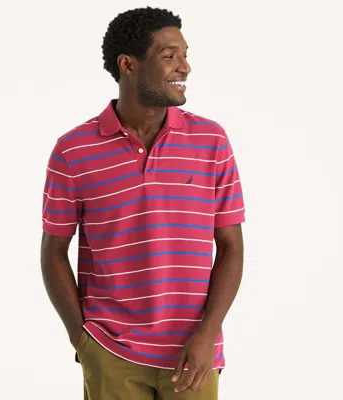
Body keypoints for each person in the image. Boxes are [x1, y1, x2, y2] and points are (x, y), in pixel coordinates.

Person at [40, 6, 245, 399]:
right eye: (169, 55)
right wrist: (82, 339)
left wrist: (209, 333)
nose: (184, 67)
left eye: (185, 54)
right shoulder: (73, 151)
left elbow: (231, 247)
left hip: (194, 355)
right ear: (128, 65)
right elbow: (53, 250)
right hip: (111, 351)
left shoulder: (211, 141)